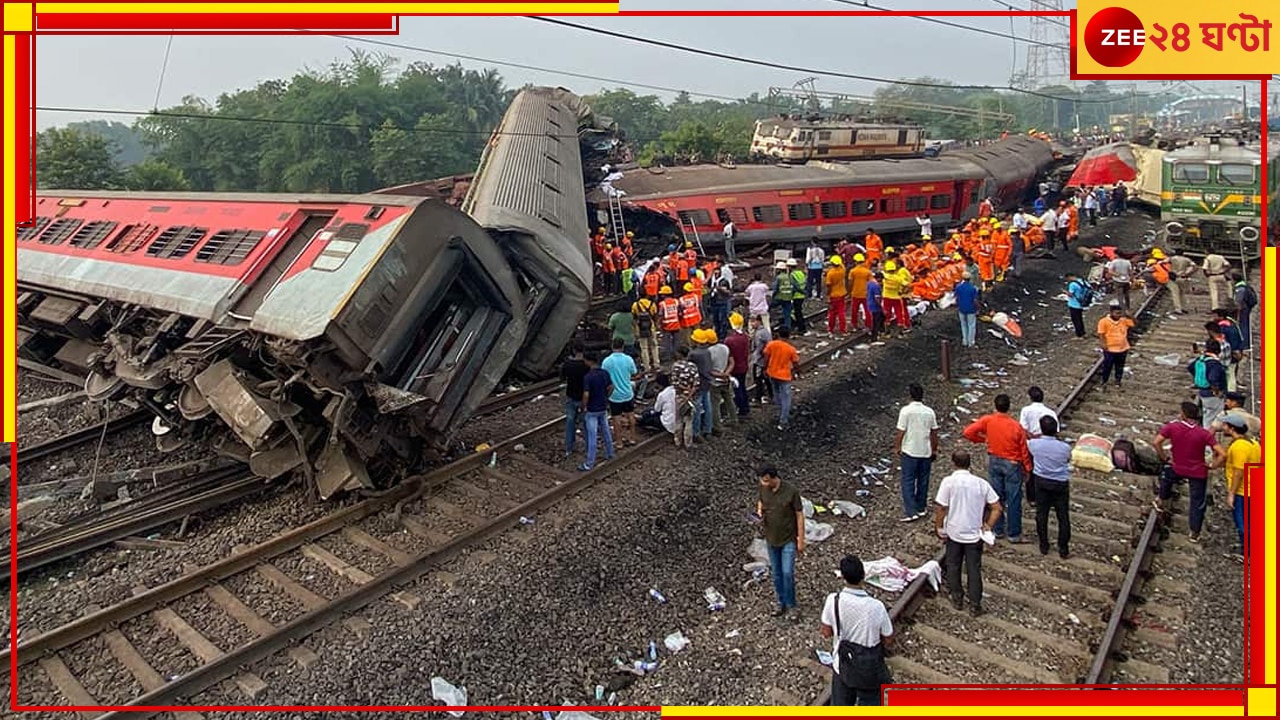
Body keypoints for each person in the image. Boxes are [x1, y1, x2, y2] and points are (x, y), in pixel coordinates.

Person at [934, 450, 1003, 617]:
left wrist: (938, 526)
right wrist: (988, 525)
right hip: (974, 535)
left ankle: (957, 598)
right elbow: (997, 508)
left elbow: (942, 507)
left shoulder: (948, 482)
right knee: (974, 569)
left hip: (954, 532)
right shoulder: (981, 483)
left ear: (953, 463)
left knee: (953, 565)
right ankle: (975, 604)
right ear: (969, 464)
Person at [820, 555, 894, 706]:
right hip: (870, 668)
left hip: (843, 665)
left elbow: (826, 632)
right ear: (863, 576)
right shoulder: (876, 606)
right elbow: (888, 639)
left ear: (843, 577)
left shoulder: (833, 600)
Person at [963, 394, 1031, 543]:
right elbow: (1023, 450)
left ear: (995, 405)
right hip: (1012, 463)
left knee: (996, 496)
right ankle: (1014, 534)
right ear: (1009, 407)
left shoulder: (988, 420)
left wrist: (982, 439)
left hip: (994, 460)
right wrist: (1027, 468)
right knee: (1013, 499)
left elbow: (968, 432)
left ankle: (997, 529)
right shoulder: (1016, 426)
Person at [1153, 401, 1224, 542]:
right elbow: (1222, 453)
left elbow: (1156, 442)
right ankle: (1194, 533)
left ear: (1183, 415)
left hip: (1177, 466)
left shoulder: (1172, 427)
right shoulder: (1203, 433)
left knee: (1166, 477)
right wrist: (1212, 465)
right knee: (1197, 502)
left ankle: (1161, 500)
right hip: (1198, 471)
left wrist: (1165, 457)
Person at [756, 464, 804, 617]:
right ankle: (780, 601)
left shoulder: (791, 491)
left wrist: (801, 539)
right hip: (771, 537)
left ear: (773, 478)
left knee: (787, 572)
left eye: (765, 480)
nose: (763, 483)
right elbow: (761, 502)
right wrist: (759, 513)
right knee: (776, 573)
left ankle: (791, 605)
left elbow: (799, 515)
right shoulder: (763, 488)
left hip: (788, 538)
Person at [1028, 415, 1073, 558]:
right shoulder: (1065, 447)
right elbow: (1068, 459)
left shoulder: (1034, 444)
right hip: (1060, 483)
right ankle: (1063, 548)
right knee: (1063, 516)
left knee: (1042, 514)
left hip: (1041, 482)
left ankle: (1044, 545)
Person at [895, 384, 939, 523]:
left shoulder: (906, 411)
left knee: (907, 480)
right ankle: (921, 507)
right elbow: (934, 432)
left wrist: (897, 446)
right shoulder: (929, 412)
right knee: (923, 480)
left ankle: (911, 511)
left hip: (910, 450)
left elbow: (901, 431)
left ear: (910, 395)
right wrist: (934, 449)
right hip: (925, 451)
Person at [1221, 415, 1259, 555]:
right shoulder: (1253, 443)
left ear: (1232, 428)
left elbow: (1239, 472)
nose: (1222, 427)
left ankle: (1247, 553)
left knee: (1242, 522)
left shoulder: (1239, 447)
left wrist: (1231, 493)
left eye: (1225, 425)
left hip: (1243, 491)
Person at [578, 352, 616, 472]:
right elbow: (611, 387)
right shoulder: (604, 373)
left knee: (592, 436)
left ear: (589, 361)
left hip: (592, 409)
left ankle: (589, 463)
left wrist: (583, 406)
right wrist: (606, 397)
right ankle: (610, 453)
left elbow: (586, 394)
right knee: (606, 432)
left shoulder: (588, 377)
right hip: (603, 407)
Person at [601, 338, 640, 446]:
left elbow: (604, 377)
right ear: (623, 347)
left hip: (614, 395)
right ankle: (632, 438)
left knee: (616, 418)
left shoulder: (607, 361)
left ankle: (619, 442)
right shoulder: (628, 359)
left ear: (612, 346)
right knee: (631, 415)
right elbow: (634, 373)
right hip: (628, 393)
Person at [763, 327, 800, 430]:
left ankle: (779, 412)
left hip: (772, 373)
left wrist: (765, 369)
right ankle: (783, 420)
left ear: (778, 334)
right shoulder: (790, 349)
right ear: (788, 336)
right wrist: (797, 373)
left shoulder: (771, 344)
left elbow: (766, 357)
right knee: (786, 398)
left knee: (776, 393)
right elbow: (795, 363)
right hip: (784, 376)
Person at [1188, 339, 1227, 428]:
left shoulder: (1201, 359)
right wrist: (1216, 391)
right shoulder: (1214, 363)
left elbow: (1190, 367)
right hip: (1212, 395)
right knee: (1211, 419)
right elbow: (1213, 379)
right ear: (1218, 351)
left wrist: (1197, 377)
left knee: (1205, 414)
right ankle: (1207, 438)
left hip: (1202, 391)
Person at [560, 342, 588, 458]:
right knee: (586, 423)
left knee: (570, 422)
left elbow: (562, 378)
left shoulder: (568, 364)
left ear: (574, 350)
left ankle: (569, 448)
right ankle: (588, 447)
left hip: (571, 396)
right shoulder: (587, 365)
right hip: (585, 398)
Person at [1097, 302, 1134, 388]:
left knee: (1120, 366)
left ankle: (1117, 381)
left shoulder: (1123, 320)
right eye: (1117, 313)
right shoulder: (1103, 321)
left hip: (1123, 348)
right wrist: (1103, 344)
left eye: (1120, 313)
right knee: (1107, 365)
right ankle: (1104, 380)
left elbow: (1134, 324)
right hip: (1110, 348)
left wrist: (1130, 316)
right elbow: (1101, 334)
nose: (1119, 315)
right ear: (1111, 313)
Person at [668, 346, 700, 450]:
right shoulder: (693, 366)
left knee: (679, 419)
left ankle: (678, 441)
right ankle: (688, 443)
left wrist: (683, 389)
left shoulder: (675, 366)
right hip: (691, 397)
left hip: (680, 396)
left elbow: (675, 382)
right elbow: (696, 383)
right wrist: (690, 393)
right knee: (689, 420)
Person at [688, 330, 714, 442]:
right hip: (707, 382)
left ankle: (696, 432)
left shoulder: (694, 354)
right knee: (707, 406)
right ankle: (708, 429)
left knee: (696, 408)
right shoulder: (707, 351)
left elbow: (688, 366)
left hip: (698, 384)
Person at [708, 329, 735, 432]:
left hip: (715, 381)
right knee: (729, 400)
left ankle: (717, 425)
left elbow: (709, 370)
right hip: (726, 379)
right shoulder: (725, 347)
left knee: (715, 404)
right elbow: (732, 362)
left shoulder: (709, 352)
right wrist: (726, 373)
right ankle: (734, 419)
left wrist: (719, 375)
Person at [725, 313, 751, 418]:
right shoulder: (745, 337)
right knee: (742, 386)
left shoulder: (729, 340)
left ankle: (741, 409)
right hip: (744, 365)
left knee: (737, 389)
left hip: (735, 368)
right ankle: (746, 406)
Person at [638, 372, 678, 437]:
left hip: (666, 422)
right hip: (677, 419)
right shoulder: (676, 390)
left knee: (646, 414)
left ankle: (642, 420)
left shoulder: (662, 394)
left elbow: (657, 409)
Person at [631, 294, 660, 372]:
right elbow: (655, 316)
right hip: (651, 327)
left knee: (644, 348)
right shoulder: (652, 304)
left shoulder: (635, 305)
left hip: (640, 328)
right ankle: (656, 364)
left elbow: (634, 317)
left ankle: (647, 367)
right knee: (654, 346)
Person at [750, 314, 774, 406]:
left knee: (758, 379)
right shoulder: (763, 332)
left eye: (753, 321)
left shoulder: (761, 333)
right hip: (761, 359)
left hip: (760, 360)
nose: (752, 324)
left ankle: (758, 398)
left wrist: (761, 356)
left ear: (759, 321)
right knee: (766, 379)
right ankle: (771, 395)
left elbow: (766, 347)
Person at [1166, 248, 1198, 314]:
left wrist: (1168, 271)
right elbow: (1195, 266)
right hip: (1183, 277)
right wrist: (1188, 273)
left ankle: (1178, 309)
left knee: (1175, 293)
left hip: (1174, 277)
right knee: (1182, 293)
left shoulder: (1172, 258)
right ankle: (1184, 308)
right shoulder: (1187, 259)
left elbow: (1162, 262)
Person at [953, 272, 980, 348]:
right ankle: (971, 342)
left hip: (961, 308)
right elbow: (975, 300)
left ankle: (965, 341)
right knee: (971, 325)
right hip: (971, 309)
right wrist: (978, 308)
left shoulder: (958, 287)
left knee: (963, 325)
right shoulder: (973, 288)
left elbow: (956, 298)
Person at [1231, 272, 1256, 351]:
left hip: (1243, 309)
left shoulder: (1240, 288)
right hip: (1246, 308)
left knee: (1243, 326)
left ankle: (1244, 344)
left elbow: (1238, 300)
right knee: (1245, 325)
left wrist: (1236, 308)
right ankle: (1245, 343)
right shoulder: (1245, 285)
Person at [825, 255, 849, 335]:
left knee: (832, 313)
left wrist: (828, 295)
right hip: (842, 294)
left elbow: (829, 286)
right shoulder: (842, 270)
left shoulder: (830, 273)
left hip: (833, 295)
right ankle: (843, 329)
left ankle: (831, 328)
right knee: (841, 312)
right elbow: (842, 265)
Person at [847, 254, 871, 330]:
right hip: (865, 294)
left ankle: (854, 325)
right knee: (867, 310)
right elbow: (870, 282)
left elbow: (850, 283)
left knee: (854, 311)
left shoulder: (852, 271)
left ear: (855, 262)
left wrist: (849, 292)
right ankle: (868, 324)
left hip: (855, 293)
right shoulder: (867, 272)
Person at [1065, 271, 1090, 339]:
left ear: (1069, 277)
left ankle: (1079, 334)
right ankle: (1083, 332)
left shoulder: (1073, 284)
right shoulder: (1083, 281)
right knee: (1080, 319)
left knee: (1076, 320)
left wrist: (1066, 292)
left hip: (1074, 304)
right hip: (1082, 303)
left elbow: (1071, 294)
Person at [866, 271, 885, 342]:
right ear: (879, 278)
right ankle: (874, 336)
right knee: (876, 321)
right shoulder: (876, 286)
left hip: (870, 303)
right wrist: (881, 306)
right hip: (875, 306)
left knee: (879, 318)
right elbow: (877, 298)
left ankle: (880, 331)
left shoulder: (869, 283)